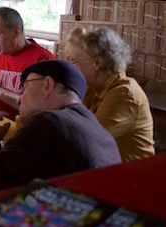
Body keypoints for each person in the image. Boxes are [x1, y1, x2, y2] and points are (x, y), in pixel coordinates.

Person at [0, 60, 122, 198]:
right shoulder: (97, 129)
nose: (20, 99)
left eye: (25, 88)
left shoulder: (48, 123)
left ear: (47, 85)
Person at [65, 27, 155, 162]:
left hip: (132, 176)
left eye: (73, 61)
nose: (69, 66)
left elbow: (85, 137)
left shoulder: (124, 95)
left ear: (97, 62)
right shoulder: (91, 86)